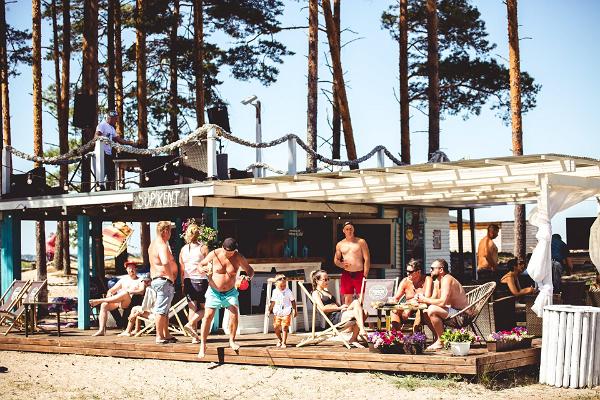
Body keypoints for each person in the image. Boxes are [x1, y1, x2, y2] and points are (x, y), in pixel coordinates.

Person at [196, 238, 255, 358]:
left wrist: (246, 278)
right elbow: (200, 265)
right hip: (214, 291)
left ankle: (232, 341)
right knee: (207, 316)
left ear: (235, 250)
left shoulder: (238, 257)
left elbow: (250, 270)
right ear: (223, 248)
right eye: (227, 252)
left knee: (234, 314)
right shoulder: (215, 254)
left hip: (230, 292)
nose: (229, 254)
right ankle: (203, 344)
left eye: (231, 252)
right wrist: (202, 269)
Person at [416, 259, 469, 351]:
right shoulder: (437, 281)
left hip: (462, 315)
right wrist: (420, 298)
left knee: (432, 309)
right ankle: (439, 338)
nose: (430, 271)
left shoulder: (447, 279)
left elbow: (442, 302)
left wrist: (424, 299)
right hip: (453, 312)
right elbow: (433, 299)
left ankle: (441, 341)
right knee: (426, 310)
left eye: (432, 268)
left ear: (441, 270)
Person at [310, 269, 367, 347]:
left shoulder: (327, 292)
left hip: (340, 313)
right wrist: (339, 308)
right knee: (362, 313)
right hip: (333, 319)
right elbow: (323, 309)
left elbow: (338, 306)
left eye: (328, 279)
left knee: (358, 304)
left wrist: (341, 308)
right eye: (325, 279)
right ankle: (361, 331)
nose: (327, 281)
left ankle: (355, 336)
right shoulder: (315, 293)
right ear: (317, 281)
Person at [89, 261, 145, 336]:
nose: (131, 270)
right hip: (119, 302)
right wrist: (109, 293)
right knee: (104, 305)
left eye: (133, 268)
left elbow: (141, 291)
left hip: (131, 301)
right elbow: (112, 290)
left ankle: (100, 300)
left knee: (125, 293)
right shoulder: (124, 280)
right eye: (129, 268)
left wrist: (129, 291)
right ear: (127, 270)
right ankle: (101, 330)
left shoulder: (140, 279)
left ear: (136, 269)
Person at [148, 221, 179, 344]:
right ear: (165, 231)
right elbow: (165, 261)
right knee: (161, 309)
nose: (170, 233)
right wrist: (170, 276)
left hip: (157, 279)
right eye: (170, 231)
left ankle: (166, 334)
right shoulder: (162, 245)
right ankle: (159, 336)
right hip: (163, 279)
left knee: (165, 309)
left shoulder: (153, 244)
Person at [178, 222, 209, 343]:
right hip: (201, 281)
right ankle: (191, 324)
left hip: (187, 281)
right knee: (206, 309)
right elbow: (209, 266)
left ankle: (194, 337)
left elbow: (182, 269)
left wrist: (182, 284)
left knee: (192, 309)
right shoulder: (203, 248)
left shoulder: (183, 250)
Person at [94, 110, 136, 189]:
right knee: (102, 172)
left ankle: (108, 189)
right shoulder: (102, 125)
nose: (116, 120)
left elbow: (119, 139)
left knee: (111, 173)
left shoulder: (112, 128)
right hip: (101, 153)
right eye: (115, 119)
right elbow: (96, 136)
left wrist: (130, 143)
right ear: (109, 118)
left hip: (108, 153)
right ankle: (100, 188)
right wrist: (103, 139)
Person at [334, 222, 371, 305]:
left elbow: (367, 258)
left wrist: (365, 273)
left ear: (353, 230)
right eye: (347, 229)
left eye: (351, 229)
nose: (349, 231)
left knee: (362, 298)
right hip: (347, 273)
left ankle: (361, 316)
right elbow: (336, 260)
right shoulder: (340, 244)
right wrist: (341, 265)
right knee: (347, 299)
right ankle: (348, 317)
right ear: (343, 231)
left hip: (359, 273)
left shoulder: (361, 242)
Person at [390, 259, 435, 327]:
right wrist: (393, 301)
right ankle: (396, 334)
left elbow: (427, 298)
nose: (408, 273)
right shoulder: (405, 281)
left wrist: (414, 302)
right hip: (408, 307)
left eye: (410, 271)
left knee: (421, 311)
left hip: (422, 307)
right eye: (407, 271)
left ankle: (416, 334)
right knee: (394, 311)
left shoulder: (427, 280)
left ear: (418, 272)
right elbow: (396, 298)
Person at [268, 274, 297, 348]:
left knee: (284, 327)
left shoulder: (288, 291)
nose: (283, 287)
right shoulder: (275, 291)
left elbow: (293, 301)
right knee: (276, 327)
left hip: (286, 312)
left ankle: (284, 342)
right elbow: (273, 302)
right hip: (277, 312)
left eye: (284, 285)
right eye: (281, 286)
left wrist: (294, 310)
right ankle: (280, 339)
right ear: (276, 284)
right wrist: (269, 310)